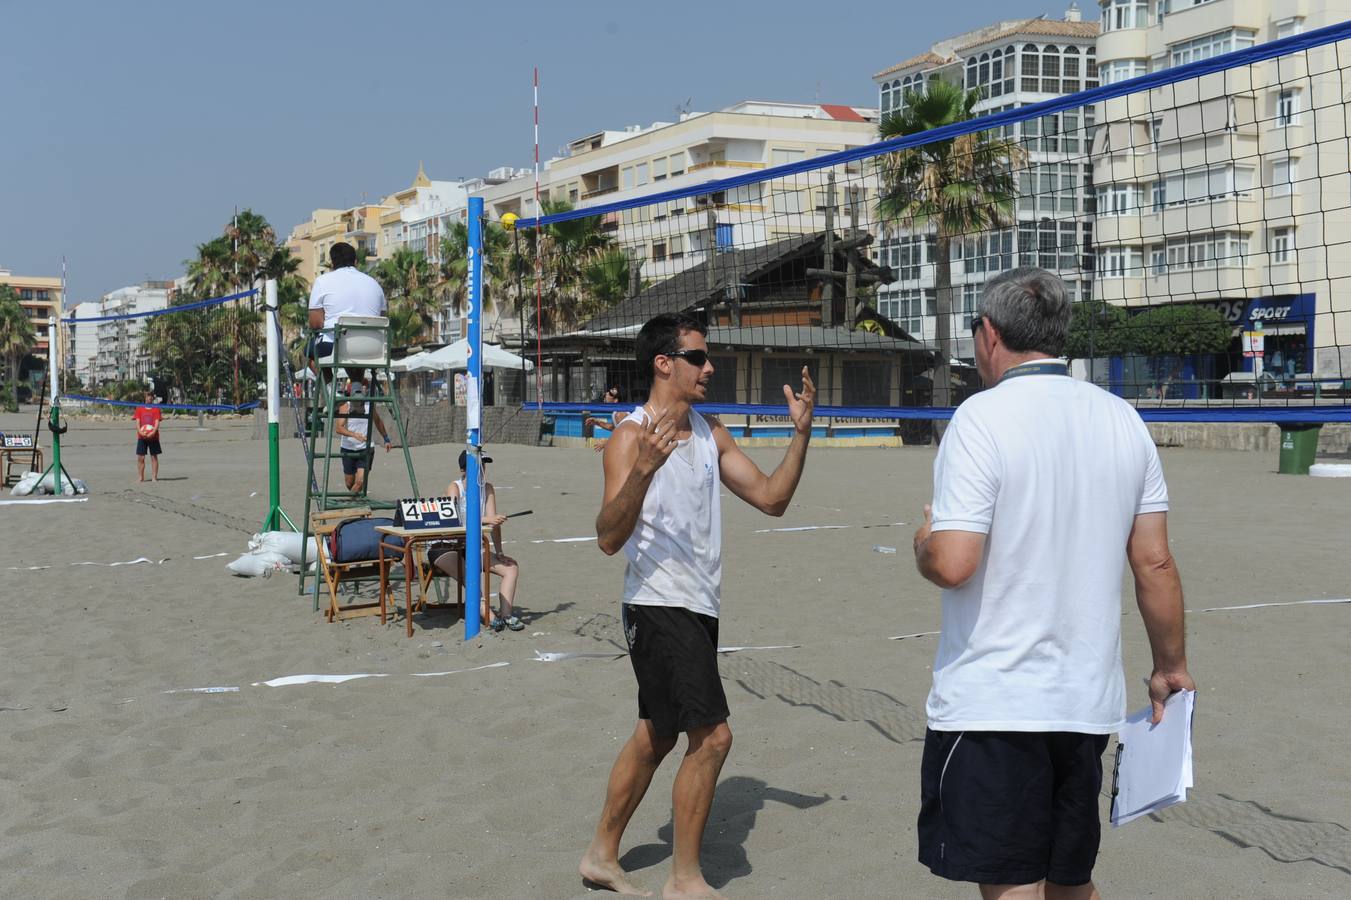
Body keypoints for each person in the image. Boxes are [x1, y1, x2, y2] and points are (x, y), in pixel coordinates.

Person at [910, 267, 1195, 900]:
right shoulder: (1123, 419)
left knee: (1012, 884)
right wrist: (1170, 667)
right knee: (1071, 882)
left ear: (988, 333)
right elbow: (1154, 564)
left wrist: (923, 544)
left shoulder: (980, 417)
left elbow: (952, 563)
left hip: (995, 702)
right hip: (1084, 703)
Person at [578, 312, 815, 898]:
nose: (709, 367)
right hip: (657, 602)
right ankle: (684, 879)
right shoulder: (630, 436)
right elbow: (607, 537)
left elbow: (772, 498)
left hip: (698, 605)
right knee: (712, 738)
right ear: (664, 364)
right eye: (697, 357)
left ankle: (601, 855)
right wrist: (643, 471)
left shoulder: (711, 432)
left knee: (656, 735)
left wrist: (801, 434)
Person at [432, 450, 524, 632]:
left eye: (483, 465)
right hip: (446, 547)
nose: (481, 470)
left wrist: (499, 551)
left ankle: (506, 615)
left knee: (511, 568)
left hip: (474, 547)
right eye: (477, 466)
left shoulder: (487, 488)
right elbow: (454, 519)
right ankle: (489, 616)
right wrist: (487, 519)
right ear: (463, 470)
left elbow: (493, 523)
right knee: (471, 576)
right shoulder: (455, 487)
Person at [306, 241, 387, 383]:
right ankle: (356, 389)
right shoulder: (374, 283)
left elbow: (315, 323)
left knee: (310, 351)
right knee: (354, 346)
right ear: (355, 261)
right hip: (374, 349)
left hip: (338, 348)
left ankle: (331, 390)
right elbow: (381, 318)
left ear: (332, 263)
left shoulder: (322, 281)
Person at [334, 384, 391, 494]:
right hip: (348, 448)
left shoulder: (369, 404)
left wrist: (386, 438)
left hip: (366, 448)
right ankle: (354, 498)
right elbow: (339, 428)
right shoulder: (346, 405)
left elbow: (378, 421)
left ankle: (350, 501)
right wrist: (355, 435)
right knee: (349, 483)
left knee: (360, 482)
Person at [585, 385, 629, 453]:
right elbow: (614, 427)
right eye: (608, 391)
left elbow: (624, 437)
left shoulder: (620, 414)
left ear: (615, 400)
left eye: (610, 393)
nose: (606, 394)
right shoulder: (617, 411)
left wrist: (607, 442)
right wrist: (597, 422)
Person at [133, 391, 162, 482]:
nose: (149, 398)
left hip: (153, 437)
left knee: (154, 457)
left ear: (153, 398)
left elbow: (157, 423)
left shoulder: (156, 409)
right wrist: (140, 432)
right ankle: (141, 477)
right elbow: (137, 422)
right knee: (140, 458)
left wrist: (152, 433)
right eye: (147, 396)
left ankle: (154, 477)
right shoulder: (139, 408)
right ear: (145, 397)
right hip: (142, 436)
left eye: (151, 396)